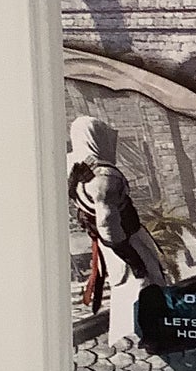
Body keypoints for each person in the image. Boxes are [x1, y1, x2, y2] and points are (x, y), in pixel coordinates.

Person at [66, 116, 168, 349]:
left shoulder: (72, 163)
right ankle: (148, 334)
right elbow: (107, 222)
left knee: (124, 285)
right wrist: (131, 256)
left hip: (108, 242)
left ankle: (133, 331)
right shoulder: (104, 176)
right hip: (124, 240)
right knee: (143, 282)